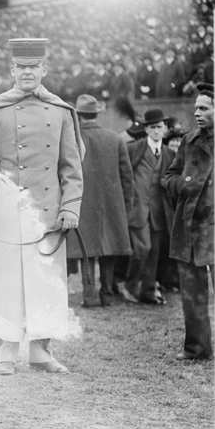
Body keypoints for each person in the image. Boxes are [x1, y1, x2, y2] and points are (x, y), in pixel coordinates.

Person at [0, 38, 84, 375]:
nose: (27, 72)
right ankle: (5, 351)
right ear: (11, 70)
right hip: (10, 204)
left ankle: (40, 351)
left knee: (45, 281)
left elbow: (71, 167)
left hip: (49, 207)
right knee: (8, 279)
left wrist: (71, 207)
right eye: (21, 67)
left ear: (44, 69)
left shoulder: (61, 110)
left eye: (33, 67)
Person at [161, 83, 215, 360]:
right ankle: (197, 347)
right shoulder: (189, 140)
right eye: (195, 107)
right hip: (190, 226)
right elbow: (168, 177)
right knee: (192, 293)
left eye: (204, 108)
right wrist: (183, 184)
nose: (197, 113)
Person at [66, 95, 134, 307]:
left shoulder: (71, 140)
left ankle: (89, 295)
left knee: (87, 251)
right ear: (96, 114)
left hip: (83, 203)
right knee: (108, 248)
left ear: (78, 115)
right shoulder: (115, 139)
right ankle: (107, 292)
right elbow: (127, 177)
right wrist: (126, 206)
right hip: (112, 204)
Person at [124, 108, 175, 304]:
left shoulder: (170, 154)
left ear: (165, 129)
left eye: (159, 127)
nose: (155, 131)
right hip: (138, 209)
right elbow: (124, 175)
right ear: (146, 129)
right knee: (142, 248)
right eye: (152, 127)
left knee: (154, 251)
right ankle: (130, 285)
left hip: (158, 211)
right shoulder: (134, 149)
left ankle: (147, 290)